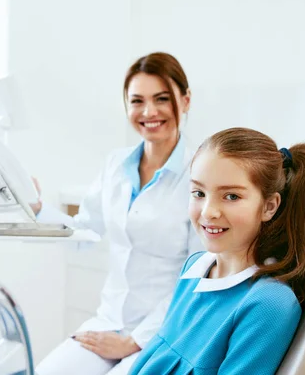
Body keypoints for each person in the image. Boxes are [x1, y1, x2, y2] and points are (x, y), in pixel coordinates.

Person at [34, 52, 203, 375]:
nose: (149, 112)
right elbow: (84, 234)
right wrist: (38, 209)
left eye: (162, 99)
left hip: (166, 331)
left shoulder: (199, 173)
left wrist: (136, 341)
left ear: (185, 100)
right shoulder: (116, 164)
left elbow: (196, 276)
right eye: (137, 101)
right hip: (110, 321)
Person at [128, 127, 305, 374]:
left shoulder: (268, 302)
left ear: (268, 206)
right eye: (199, 193)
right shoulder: (195, 267)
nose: (208, 212)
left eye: (231, 196)